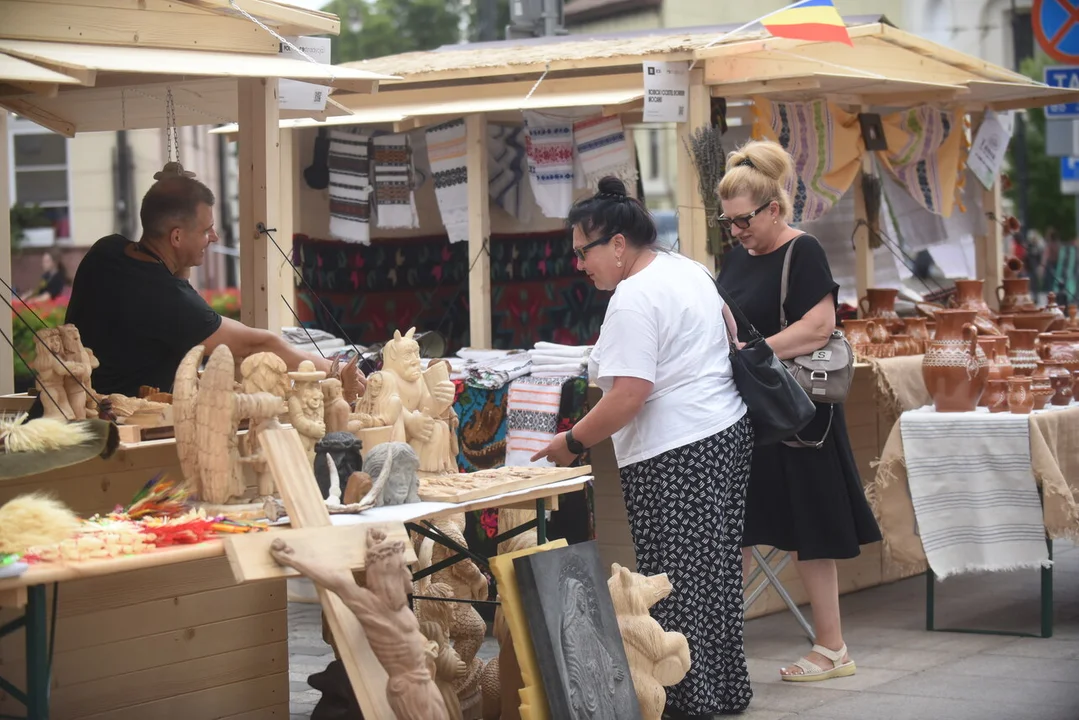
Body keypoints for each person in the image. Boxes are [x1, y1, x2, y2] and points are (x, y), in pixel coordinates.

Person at [531, 177, 754, 718]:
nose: (579, 265)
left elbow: (629, 395)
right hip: (723, 432)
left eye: (583, 252)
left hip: (677, 450)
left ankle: (688, 698)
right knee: (715, 573)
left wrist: (573, 441)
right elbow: (729, 332)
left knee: (674, 580)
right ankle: (724, 691)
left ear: (617, 244)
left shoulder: (633, 297)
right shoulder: (686, 268)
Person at [716, 140, 881, 683]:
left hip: (797, 412)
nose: (736, 231)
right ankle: (718, 644)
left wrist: (756, 351)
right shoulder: (738, 257)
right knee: (739, 526)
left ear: (773, 209)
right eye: (727, 221)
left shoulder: (802, 249)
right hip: (755, 411)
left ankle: (832, 648)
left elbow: (818, 327)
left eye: (743, 220)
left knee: (810, 528)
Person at [64, 174, 362, 398]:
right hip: (115, 427)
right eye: (206, 230)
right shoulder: (168, 300)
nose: (215, 237)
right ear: (177, 237)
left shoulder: (106, 250)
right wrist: (332, 369)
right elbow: (258, 343)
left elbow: (167, 270)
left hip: (72, 408)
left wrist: (181, 253)